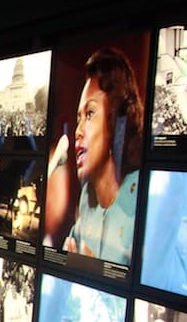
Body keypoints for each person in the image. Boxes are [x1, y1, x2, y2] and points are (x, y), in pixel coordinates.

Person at [44, 48, 143, 262]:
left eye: (89, 114)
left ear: (117, 121)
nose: (78, 131)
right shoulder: (87, 197)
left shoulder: (144, 200)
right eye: (78, 118)